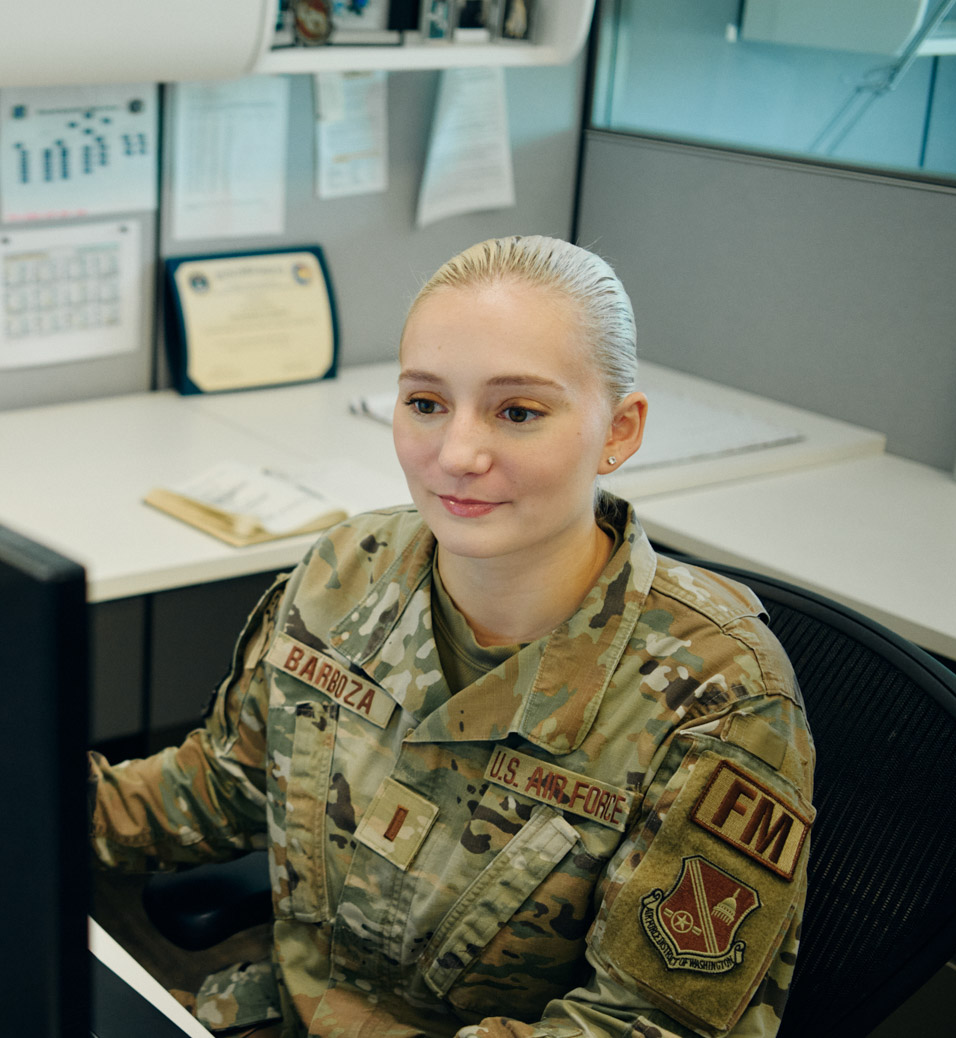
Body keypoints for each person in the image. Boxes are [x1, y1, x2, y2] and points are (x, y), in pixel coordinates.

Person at [89, 236, 815, 1038]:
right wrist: (3, 801)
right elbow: (226, 784)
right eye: (426, 403)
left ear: (620, 429)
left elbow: (644, 1026)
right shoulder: (349, 569)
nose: (456, 455)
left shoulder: (719, 699)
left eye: (518, 412)